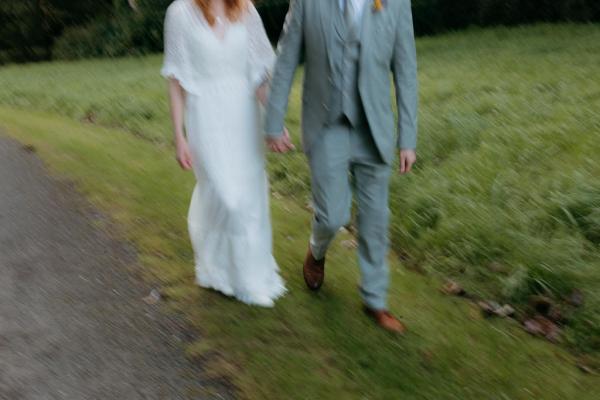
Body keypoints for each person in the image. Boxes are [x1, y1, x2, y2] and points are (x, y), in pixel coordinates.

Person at [265, 0, 418, 333]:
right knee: (333, 215)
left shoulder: (396, 3)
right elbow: (287, 56)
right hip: (326, 124)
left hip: (373, 127)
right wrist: (273, 121)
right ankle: (317, 250)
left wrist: (408, 138)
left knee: (376, 218)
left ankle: (375, 300)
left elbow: (406, 68)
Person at [161, 0, 289, 307]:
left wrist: (274, 122)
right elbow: (176, 80)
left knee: (248, 196)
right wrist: (179, 135)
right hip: (204, 115)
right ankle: (218, 267)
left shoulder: (246, 10)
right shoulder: (179, 12)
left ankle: (248, 276)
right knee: (224, 195)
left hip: (244, 116)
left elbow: (259, 76)